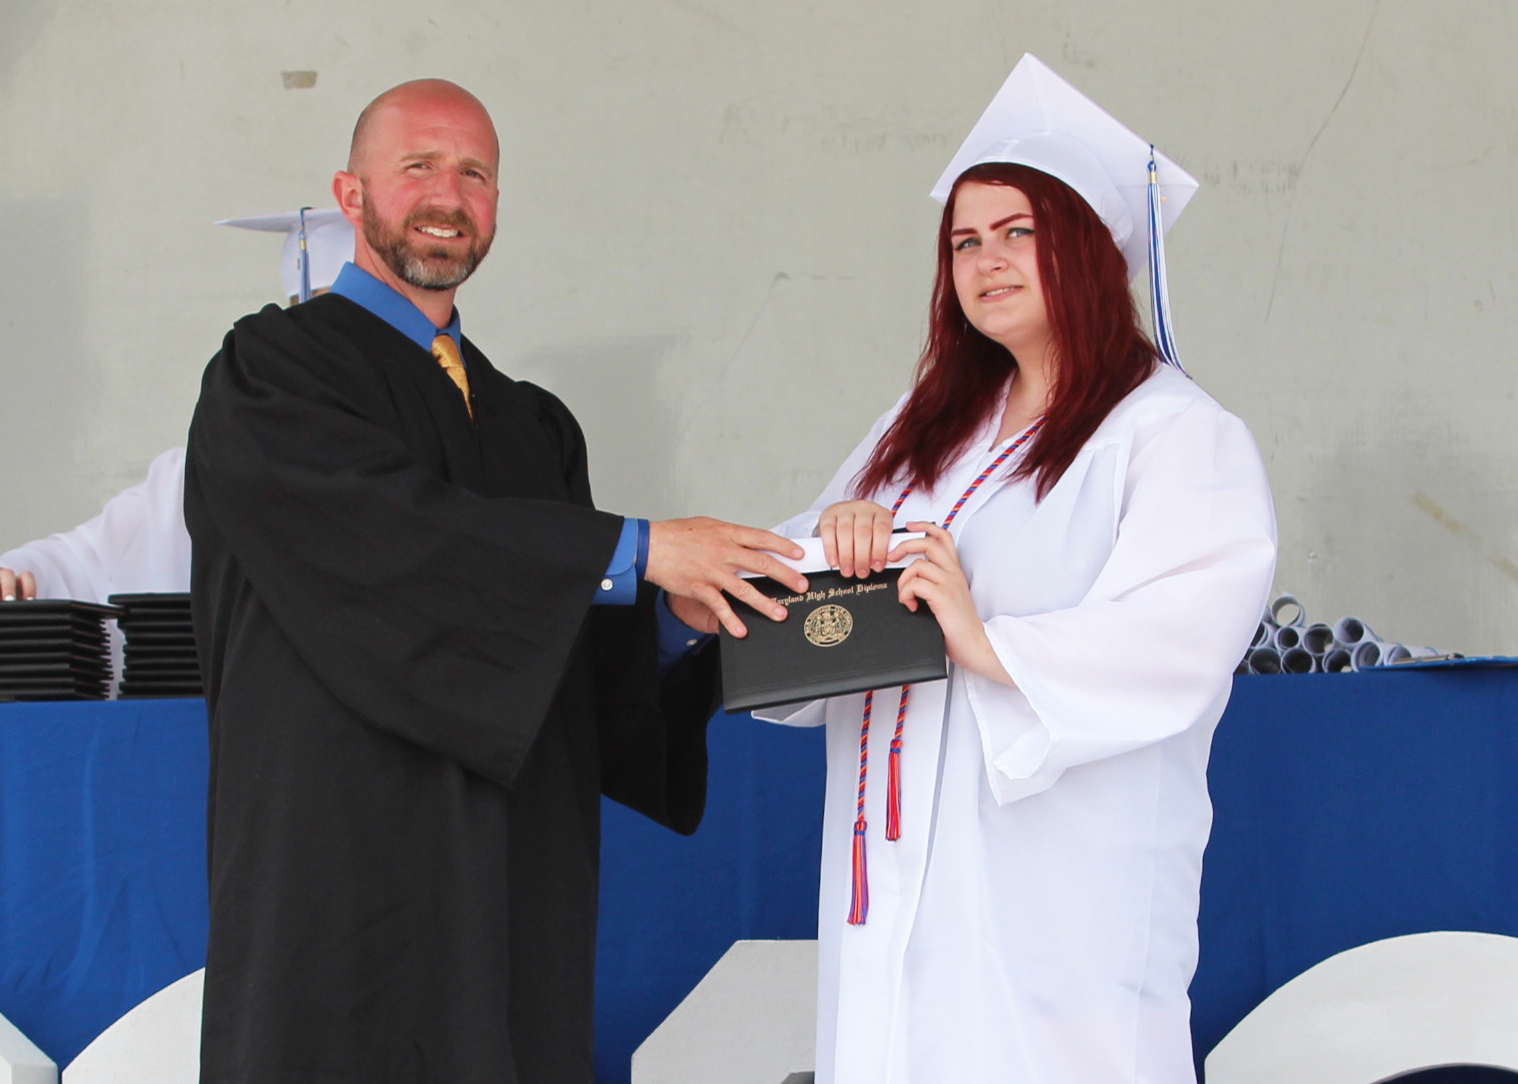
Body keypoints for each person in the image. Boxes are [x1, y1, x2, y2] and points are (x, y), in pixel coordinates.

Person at [184, 78, 806, 1083]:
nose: (448, 192)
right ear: (351, 194)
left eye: (475, 171)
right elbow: (389, 540)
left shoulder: (532, 423)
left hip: (514, 877)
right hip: (341, 858)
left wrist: (673, 623)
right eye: (417, 166)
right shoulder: (273, 370)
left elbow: (570, 653)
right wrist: (639, 550)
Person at [735, 55, 1277, 1083]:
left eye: (1019, 233)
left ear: (1087, 248)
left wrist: (987, 642)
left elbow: (1182, 634)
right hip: (892, 866)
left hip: (1053, 884)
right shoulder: (923, 430)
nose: (987, 261)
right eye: (965, 241)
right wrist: (839, 536)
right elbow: (795, 587)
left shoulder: (1169, 435)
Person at [0, 210, 355, 605]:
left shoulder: (426, 455)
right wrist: (13, 574)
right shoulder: (205, 474)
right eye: (311, 329)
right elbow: (82, 563)